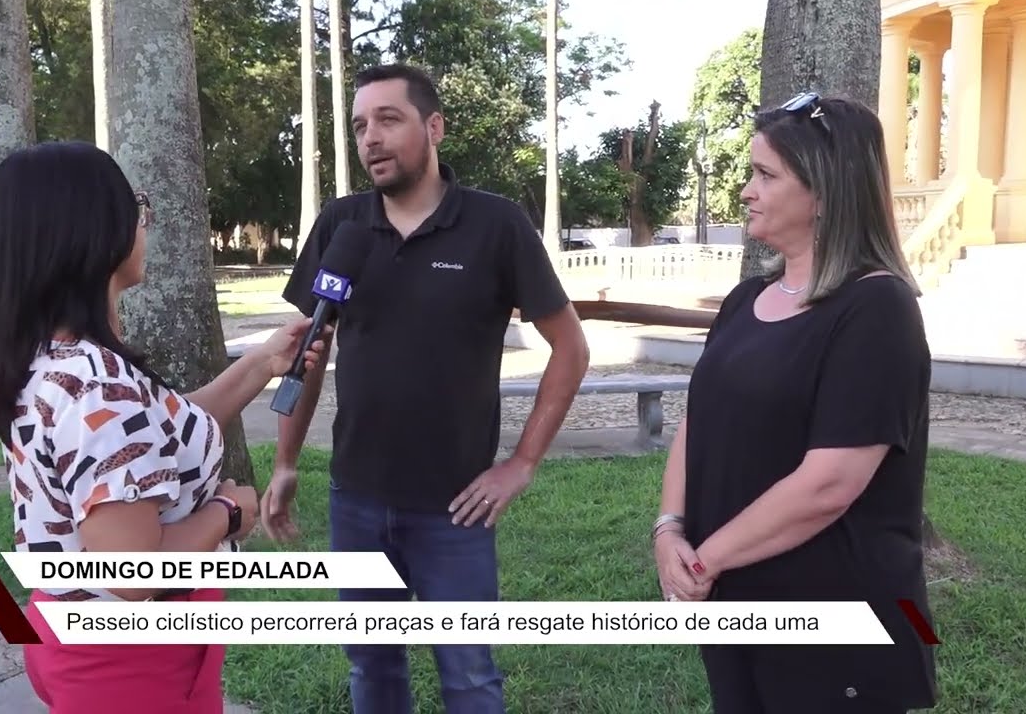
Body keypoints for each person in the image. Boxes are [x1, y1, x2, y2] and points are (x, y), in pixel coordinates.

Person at [259, 63, 590, 713]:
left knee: (469, 676)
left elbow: (571, 348)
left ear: (433, 127)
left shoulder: (496, 227)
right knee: (372, 671)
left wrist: (521, 464)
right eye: (359, 127)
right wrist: (286, 462)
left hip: (455, 509)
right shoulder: (341, 228)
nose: (370, 138)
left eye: (388, 119)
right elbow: (308, 353)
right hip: (355, 501)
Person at [0, 140, 328, 714]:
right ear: (96, 230)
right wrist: (230, 513)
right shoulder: (99, 384)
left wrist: (262, 362)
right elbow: (133, 573)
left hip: (69, 635)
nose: (143, 222)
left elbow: (161, 431)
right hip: (132, 662)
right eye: (134, 205)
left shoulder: (51, 361)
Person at [652, 93, 938, 714]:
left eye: (766, 175)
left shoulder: (876, 309)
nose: (747, 191)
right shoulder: (743, 300)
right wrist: (668, 529)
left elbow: (830, 483)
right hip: (734, 602)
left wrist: (703, 561)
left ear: (825, 192)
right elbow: (697, 422)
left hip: (834, 619)